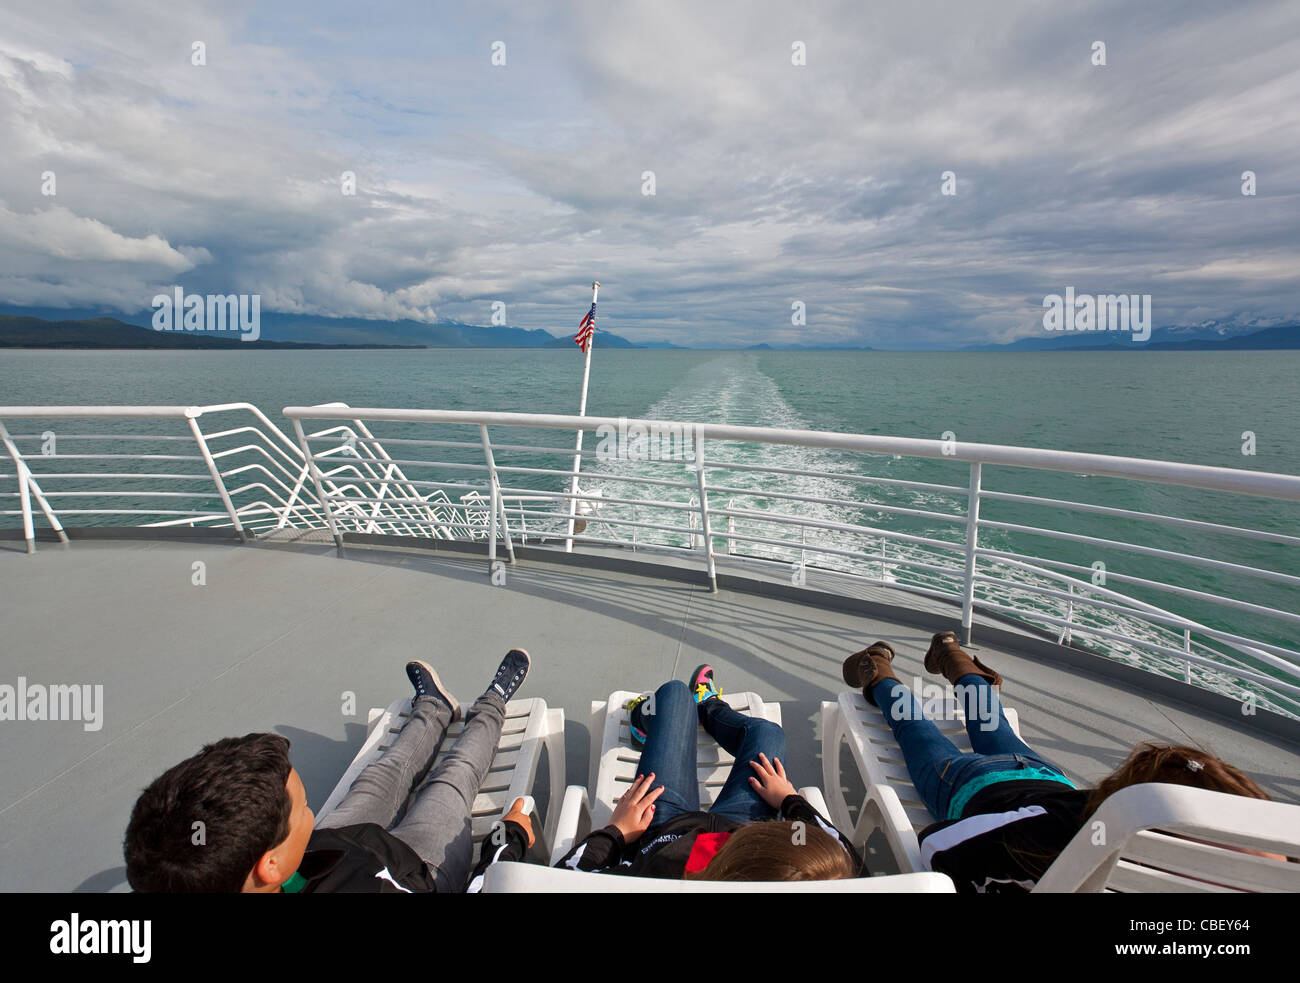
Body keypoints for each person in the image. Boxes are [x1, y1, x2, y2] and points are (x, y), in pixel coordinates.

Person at [843, 629, 1276, 893]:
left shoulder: (1075, 825)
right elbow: (936, 841)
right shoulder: (1273, 863)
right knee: (926, 730)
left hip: (1037, 778)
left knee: (953, 723)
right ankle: (896, 664)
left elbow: (939, 841)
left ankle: (929, 659)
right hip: (989, 781)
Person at [124, 649, 534, 893]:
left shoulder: (245, 878)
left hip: (334, 846)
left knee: (386, 770)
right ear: (270, 865)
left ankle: (435, 708)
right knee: (452, 779)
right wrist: (509, 840)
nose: (309, 810)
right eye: (303, 808)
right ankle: (492, 704)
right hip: (416, 868)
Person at [549, 665, 861, 880]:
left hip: (661, 831)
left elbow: (572, 876)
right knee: (768, 734)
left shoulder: (650, 879)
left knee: (673, 696)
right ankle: (710, 706)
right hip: (746, 827)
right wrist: (791, 800)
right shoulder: (832, 878)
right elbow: (840, 851)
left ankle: (648, 721)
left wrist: (616, 833)